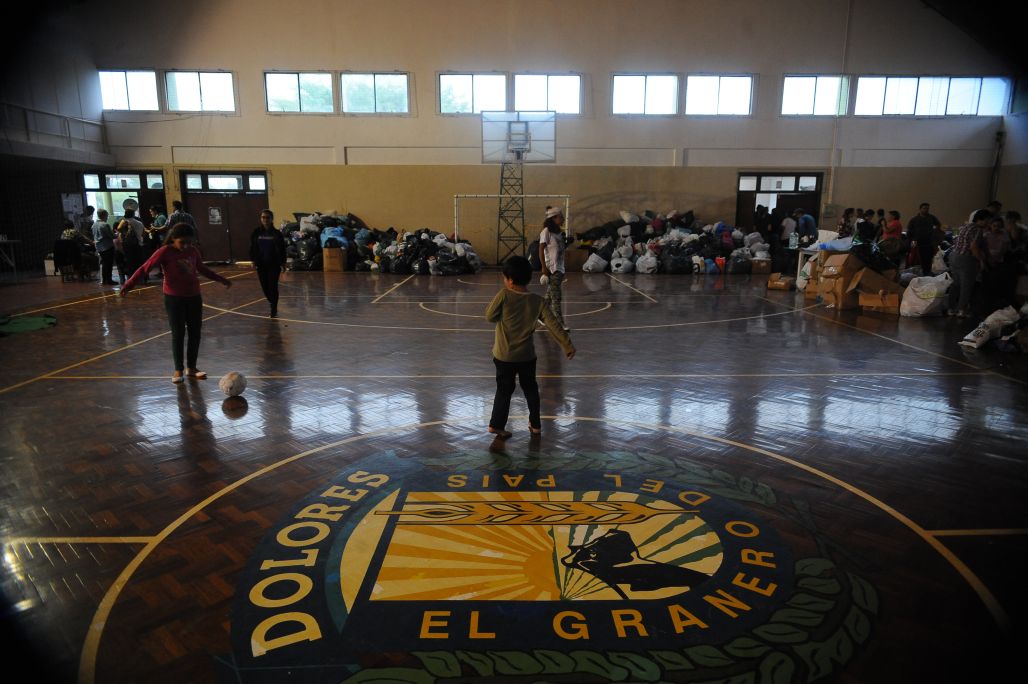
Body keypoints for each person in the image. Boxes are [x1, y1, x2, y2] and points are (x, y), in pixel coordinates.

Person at [119, 224, 232, 383]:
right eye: (182, 242)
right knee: (178, 333)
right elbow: (145, 268)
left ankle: (191, 368)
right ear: (173, 238)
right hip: (174, 298)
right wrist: (128, 285)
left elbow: (202, 269)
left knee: (195, 333)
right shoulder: (165, 251)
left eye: (189, 242)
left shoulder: (192, 251)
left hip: (193, 296)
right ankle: (178, 369)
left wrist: (221, 279)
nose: (185, 245)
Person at [485, 255, 575, 439]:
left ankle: (496, 425)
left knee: (504, 390)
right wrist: (567, 344)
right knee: (531, 389)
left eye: (504, 278)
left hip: (503, 356)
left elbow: (490, 316)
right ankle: (535, 425)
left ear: (509, 280)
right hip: (526, 357)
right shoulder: (538, 301)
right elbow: (553, 324)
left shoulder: (504, 295)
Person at [947, 209, 989, 318]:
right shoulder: (977, 230)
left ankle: (950, 308)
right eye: (987, 220)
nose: (988, 223)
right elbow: (973, 247)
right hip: (965, 259)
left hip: (954, 256)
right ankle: (961, 310)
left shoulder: (965, 227)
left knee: (956, 284)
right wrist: (981, 261)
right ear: (981, 219)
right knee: (966, 286)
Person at [249, 209, 287, 317]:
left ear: (271, 219)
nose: (265, 219)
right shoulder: (256, 232)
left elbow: (282, 249)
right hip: (261, 264)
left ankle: (273, 307)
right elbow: (252, 248)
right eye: (263, 217)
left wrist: (283, 263)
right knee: (265, 287)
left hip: (274, 264)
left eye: (267, 217)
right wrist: (253, 260)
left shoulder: (277, 234)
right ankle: (271, 301)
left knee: (272, 286)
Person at [538, 205, 568, 331]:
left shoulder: (558, 233)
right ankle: (560, 323)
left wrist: (567, 243)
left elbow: (559, 250)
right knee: (556, 296)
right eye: (561, 217)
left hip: (560, 268)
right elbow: (541, 248)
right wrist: (543, 267)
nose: (563, 219)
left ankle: (539, 315)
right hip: (552, 268)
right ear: (554, 218)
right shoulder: (546, 232)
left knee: (550, 295)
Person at [906, 202, 942, 276]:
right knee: (920, 258)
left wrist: (935, 230)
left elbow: (938, 224)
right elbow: (909, 231)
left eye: (927, 209)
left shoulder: (931, 218)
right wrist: (912, 241)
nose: (926, 210)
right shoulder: (914, 219)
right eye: (924, 208)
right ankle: (922, 272)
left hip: (929, 241)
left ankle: (928, 271)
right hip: (918, 242)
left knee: (929, 257)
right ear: (920, 209)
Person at [116, 209, 146, 284]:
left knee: (130, 262)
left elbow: (118, 228)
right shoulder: (139, 223)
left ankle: (132, 279)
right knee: (139, 262)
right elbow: (144, 234)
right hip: (139, 244)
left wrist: (124, 233)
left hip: (129, 246)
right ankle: (141, 278)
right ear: (133, 214)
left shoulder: (124, 221)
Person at [92, 209, 117, 285]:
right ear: (104, 215)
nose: (107, 217)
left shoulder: (94, 225)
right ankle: (109, 280)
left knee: (104, 263)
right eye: (107, 215)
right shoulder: (105, 225)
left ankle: (104, 280)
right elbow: (111, 236)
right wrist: (117, 234)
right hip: (107, 246)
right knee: (109, 264)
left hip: (99, 247)